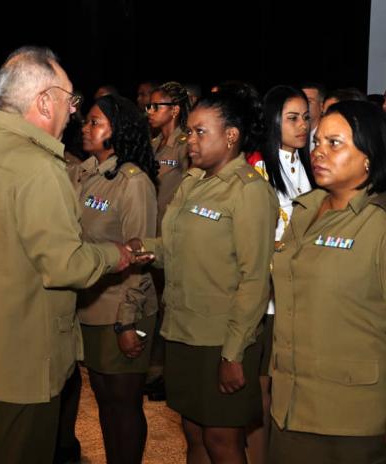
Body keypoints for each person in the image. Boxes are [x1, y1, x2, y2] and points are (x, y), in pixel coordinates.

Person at [0, 46, 132, 463]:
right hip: (20, 364)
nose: (74, 112)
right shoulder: (39, 167)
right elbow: (65, 265)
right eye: (70, 99)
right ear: (44, 101)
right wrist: (113, 255)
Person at [269, 100, 386, 464]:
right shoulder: (305, 210)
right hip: (290, 404)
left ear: (369, 155)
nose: (319, 153)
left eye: (335, 143)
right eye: (317, 142)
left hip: (353, 418)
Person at [129, 90, 278, 463]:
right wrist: (137, 248)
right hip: (182, 331)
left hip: (222, 339)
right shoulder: (193, 182)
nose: (189, 141)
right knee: (193, 433)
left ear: (231, 135)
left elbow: (255, 279)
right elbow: (174, 248)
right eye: (189, 132)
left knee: (222, 441)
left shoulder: (249, 191)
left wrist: (233, 354)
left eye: (199, 132)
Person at [65, 94, 159, 463]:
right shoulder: (83, 172)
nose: (86, 128)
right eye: (86, 121)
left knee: (123, 404)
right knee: (104, 399)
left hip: (120, 307)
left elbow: (140, 254)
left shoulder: (132, 182)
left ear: (117, 130)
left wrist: (127, 320)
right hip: (88, 304)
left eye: (95, 122)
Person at [244, 84, 315, 464]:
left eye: (306, 116)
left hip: (304, 297)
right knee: (263, 388)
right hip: (268, 299)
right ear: (274, 121)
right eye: (293, 118)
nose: (303, 125)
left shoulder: (314, 164)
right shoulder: (256, 168)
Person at [144, 81, 191, 400]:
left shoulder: (186, 144)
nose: (149, 111)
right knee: (155, 304)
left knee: (170, 306)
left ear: (174, 110)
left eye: (156, 106)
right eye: (148, 106)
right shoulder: (153, 143)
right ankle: (155, 369)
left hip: (173, 237)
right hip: (152, 235)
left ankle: (168, 373)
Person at [301, 82, 326, 149]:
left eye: (308, 101)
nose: (303, 105)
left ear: (321, 106)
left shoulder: (328, 136)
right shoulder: (291, 135)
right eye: (301, 101)